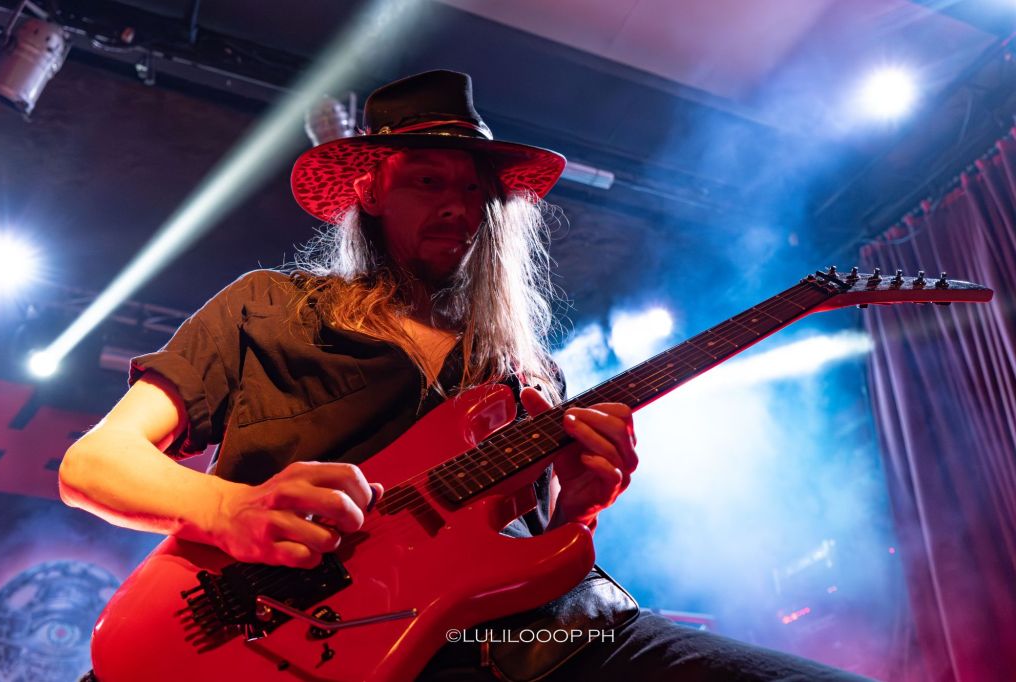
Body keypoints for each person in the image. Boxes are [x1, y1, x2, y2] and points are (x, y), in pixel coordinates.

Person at [60, 70, 867, 681]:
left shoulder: (524, 373)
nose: (459, 206)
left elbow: (521, 549)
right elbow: (92, 464)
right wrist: (230, 509)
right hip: (274, 633)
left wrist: (580, 506)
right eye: (428, 180)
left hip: (504, 641)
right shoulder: (268, 306)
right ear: (371, 190)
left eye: (475, 191)